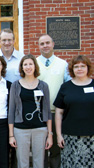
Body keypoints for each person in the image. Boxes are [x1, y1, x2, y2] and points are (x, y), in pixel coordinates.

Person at [54, 55, 94, 168]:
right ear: (72, 69)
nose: (79, 69)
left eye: (83, 66)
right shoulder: (65, 87)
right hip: (71, 137)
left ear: (88, 68)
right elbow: (59, 112)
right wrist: (59, 135)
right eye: (76, 66)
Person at [0, 28, 24, 167]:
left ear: (14, 41)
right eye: (4, 40)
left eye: (9, 40)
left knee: (15, 144)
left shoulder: (22, 58)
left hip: (18, 106)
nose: (7, 43)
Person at [8, 54, 53, 168]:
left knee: (39, 163)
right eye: (25, 64)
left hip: (40, 129)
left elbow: (47, 110)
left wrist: (50, 134)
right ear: (22, 67)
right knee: (22, 163)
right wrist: (11, 135)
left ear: (35, 66)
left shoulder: (43, 86)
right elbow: (11, 110)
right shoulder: (15, 85)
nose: (28, 67)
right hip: (21, 129)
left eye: (30, 64)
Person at [36, 34, 71, 168]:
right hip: (38, 114)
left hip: (56, 114)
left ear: (53, 44)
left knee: (56, 149)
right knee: (41, 150)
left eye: (47, 43)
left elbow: (68, 86)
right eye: (42, 44)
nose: (45, 46)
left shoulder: (63, 64)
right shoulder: (33, 63)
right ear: (38, 46)